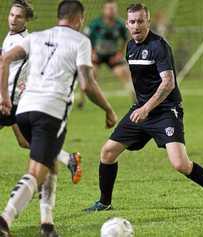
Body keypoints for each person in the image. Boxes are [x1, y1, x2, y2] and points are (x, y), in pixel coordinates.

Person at [84, 3, 203, 213]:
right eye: (132, 22)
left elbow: (168, 83)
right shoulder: (130, 47)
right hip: (141, 110)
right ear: (127, 24)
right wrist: (141, 107)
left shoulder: (159, 46)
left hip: (165, 111)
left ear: (148, 22)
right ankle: (104, 202)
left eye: (140, 21)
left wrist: (146, 108)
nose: (136, 26)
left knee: (180, 164)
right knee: (108, 152)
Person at [0, 1, 117, 236]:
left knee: (50, 165)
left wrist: (3, 96)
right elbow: (87, 83)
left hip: (23, 110)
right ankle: (4, 220)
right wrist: (108, 109)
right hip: (50, 112)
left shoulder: (37, 36)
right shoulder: (80, 41)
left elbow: (5, 59)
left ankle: (47, 224)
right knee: (36, 172)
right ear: (79, 19)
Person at [0, 0, 82, 185]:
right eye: (12, 14)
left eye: (19, 16)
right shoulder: (12, 36)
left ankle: (52, 171)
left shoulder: (24, 41)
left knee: (31, 143)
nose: (13, 19)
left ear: (26, 20)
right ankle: (68, 159)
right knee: (25, 142)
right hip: (13, 100)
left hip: (10, 101)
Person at [78, 0, 135, 108]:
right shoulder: (95, 24)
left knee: (123, 72)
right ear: (104, 10)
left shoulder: (120, 24)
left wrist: (121, 53)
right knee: (89, 74)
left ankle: (135, 99)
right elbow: (84, 39)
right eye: (109, 9)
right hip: (97, 55)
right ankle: (82, 100)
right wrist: (91, 52)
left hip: (112, 55)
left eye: (113, 9)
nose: (111, 11)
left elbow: (128, 39)